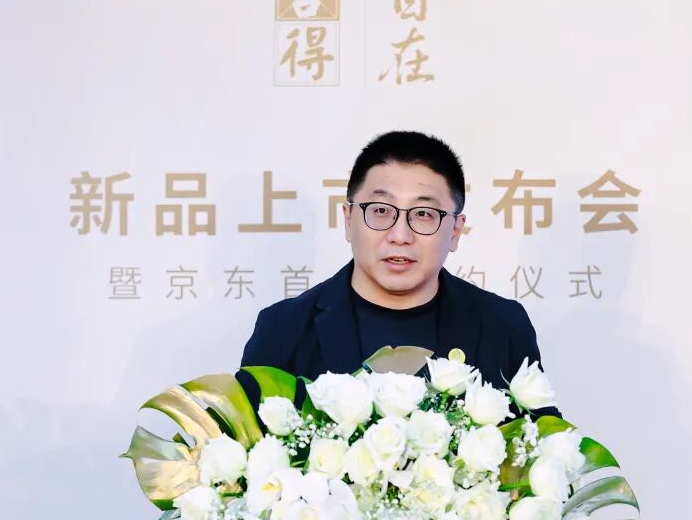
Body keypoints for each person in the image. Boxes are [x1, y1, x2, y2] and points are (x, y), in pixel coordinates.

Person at [238, 131, 560, 420]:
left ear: (455, 231)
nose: (400, 235)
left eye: (423, 214)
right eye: (380, 210)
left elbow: (544, 446)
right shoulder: (284, 329)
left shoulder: (502, 326)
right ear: (348, 220)